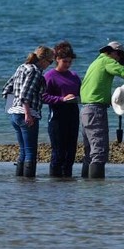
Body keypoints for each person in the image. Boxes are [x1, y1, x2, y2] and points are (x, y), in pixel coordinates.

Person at [79, 41, 124, 179]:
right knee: (99, 151)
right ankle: (98, 191)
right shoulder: (107, 60)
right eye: (119, 58)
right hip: (95, 110)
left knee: (89, 152)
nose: (118, 62)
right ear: (113, 53)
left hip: (85, 109)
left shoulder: (95, 63)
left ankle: (86, 187)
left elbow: (96, 88)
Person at [2, 45, 55, 178]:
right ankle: (29, 184)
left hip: (14, 114)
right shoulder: (35, 71)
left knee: (23, 151)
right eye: (51, 62)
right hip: (27, 114)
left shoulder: (21, 67)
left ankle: (20, 182)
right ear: (43, 60)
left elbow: (6, 90)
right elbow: (25, 94)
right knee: (31, 152)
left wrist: (13, 108)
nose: (50, 65)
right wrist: (27, 113)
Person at [42, 41, 81, 178]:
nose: (68, 64)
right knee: (58, 153)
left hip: (73, 115)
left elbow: (81, 93)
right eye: (65, 61)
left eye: (70, 62)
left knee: (70, 154)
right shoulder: (49, 76)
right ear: (57, 59)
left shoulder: (74, 76)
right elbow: (43, 97)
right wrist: (61, 99)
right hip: (57, 117)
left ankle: (68, 184)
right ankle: (55, 184)